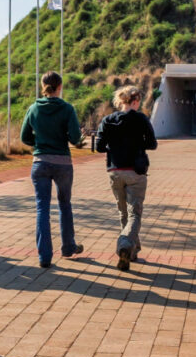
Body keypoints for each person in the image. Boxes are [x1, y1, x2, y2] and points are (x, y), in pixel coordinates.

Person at [20, 71, 83, 268]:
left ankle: (44, 256)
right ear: (60, 86)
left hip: (40, 162)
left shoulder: (33, 108)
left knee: (42, 208)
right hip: (63, 163)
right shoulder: (67, 109)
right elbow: (75, 137)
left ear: (42, 86)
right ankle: (68, 247)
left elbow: (25, 137)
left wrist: (38, 143)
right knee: (65, 204)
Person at [95, 86, 158, 271]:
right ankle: (124, 244)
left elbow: (99, 147)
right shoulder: (141, 119)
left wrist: (114, 148)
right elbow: (152, 144)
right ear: (136, 101)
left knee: (124, 213)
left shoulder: (108, 120)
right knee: (135, 214)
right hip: (136, 172)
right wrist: (138, 143)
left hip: (115, 171)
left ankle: (132, 252)